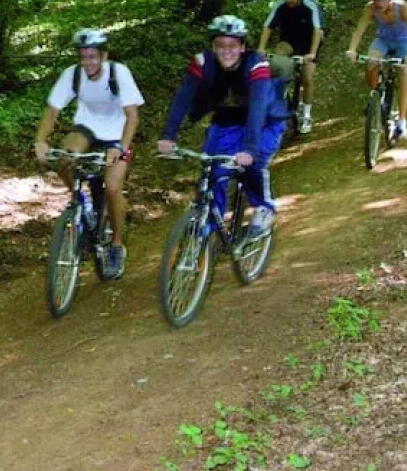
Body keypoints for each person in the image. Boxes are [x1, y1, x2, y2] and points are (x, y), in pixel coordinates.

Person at [156, 14, 289, 237]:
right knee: (213, 169)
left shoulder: (257, 64)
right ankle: (210, 221)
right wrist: (169, 135)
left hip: (265, 120)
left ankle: (264, 208)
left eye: (233, 45)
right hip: (228, 118)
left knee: (252, 163)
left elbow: (257, 109)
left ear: (243, 46)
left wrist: (249, 149)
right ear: (213, 46)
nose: (226, 51)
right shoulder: (203, 62)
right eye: (220, 45)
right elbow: (183, 98)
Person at [33, 28, 145, 279]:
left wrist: (120, 147)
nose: (88, 62)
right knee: (63, 157)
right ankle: (82, 205)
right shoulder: (72, 75)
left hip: (117, 132)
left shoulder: (119, 73)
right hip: (88, 128)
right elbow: (52, 111)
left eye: (93, 57)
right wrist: (41, 141)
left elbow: (132, 116)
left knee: (113, 189)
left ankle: (116, 245)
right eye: (83, 57)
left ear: (104, 56)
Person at [345, 0, 407, 140]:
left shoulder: (402, 8)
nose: (378, 3)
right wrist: (352, 49)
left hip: (403, 41)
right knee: (370, 62)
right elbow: (359, 31)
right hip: (383, 40)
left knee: (403, 72)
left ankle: (402, 119)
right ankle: (375, 98)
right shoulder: (371, 9)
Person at [258, 0, 325, 133]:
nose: (290, 0)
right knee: (277, 59)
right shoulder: (279, 6)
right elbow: (267, 26)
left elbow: (317, 30)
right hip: (289, 41)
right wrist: (261, 48)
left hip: (309, 43)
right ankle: (281, 94)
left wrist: (312, 53)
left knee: (307, 77)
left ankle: (307, 114)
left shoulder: (310, 6)